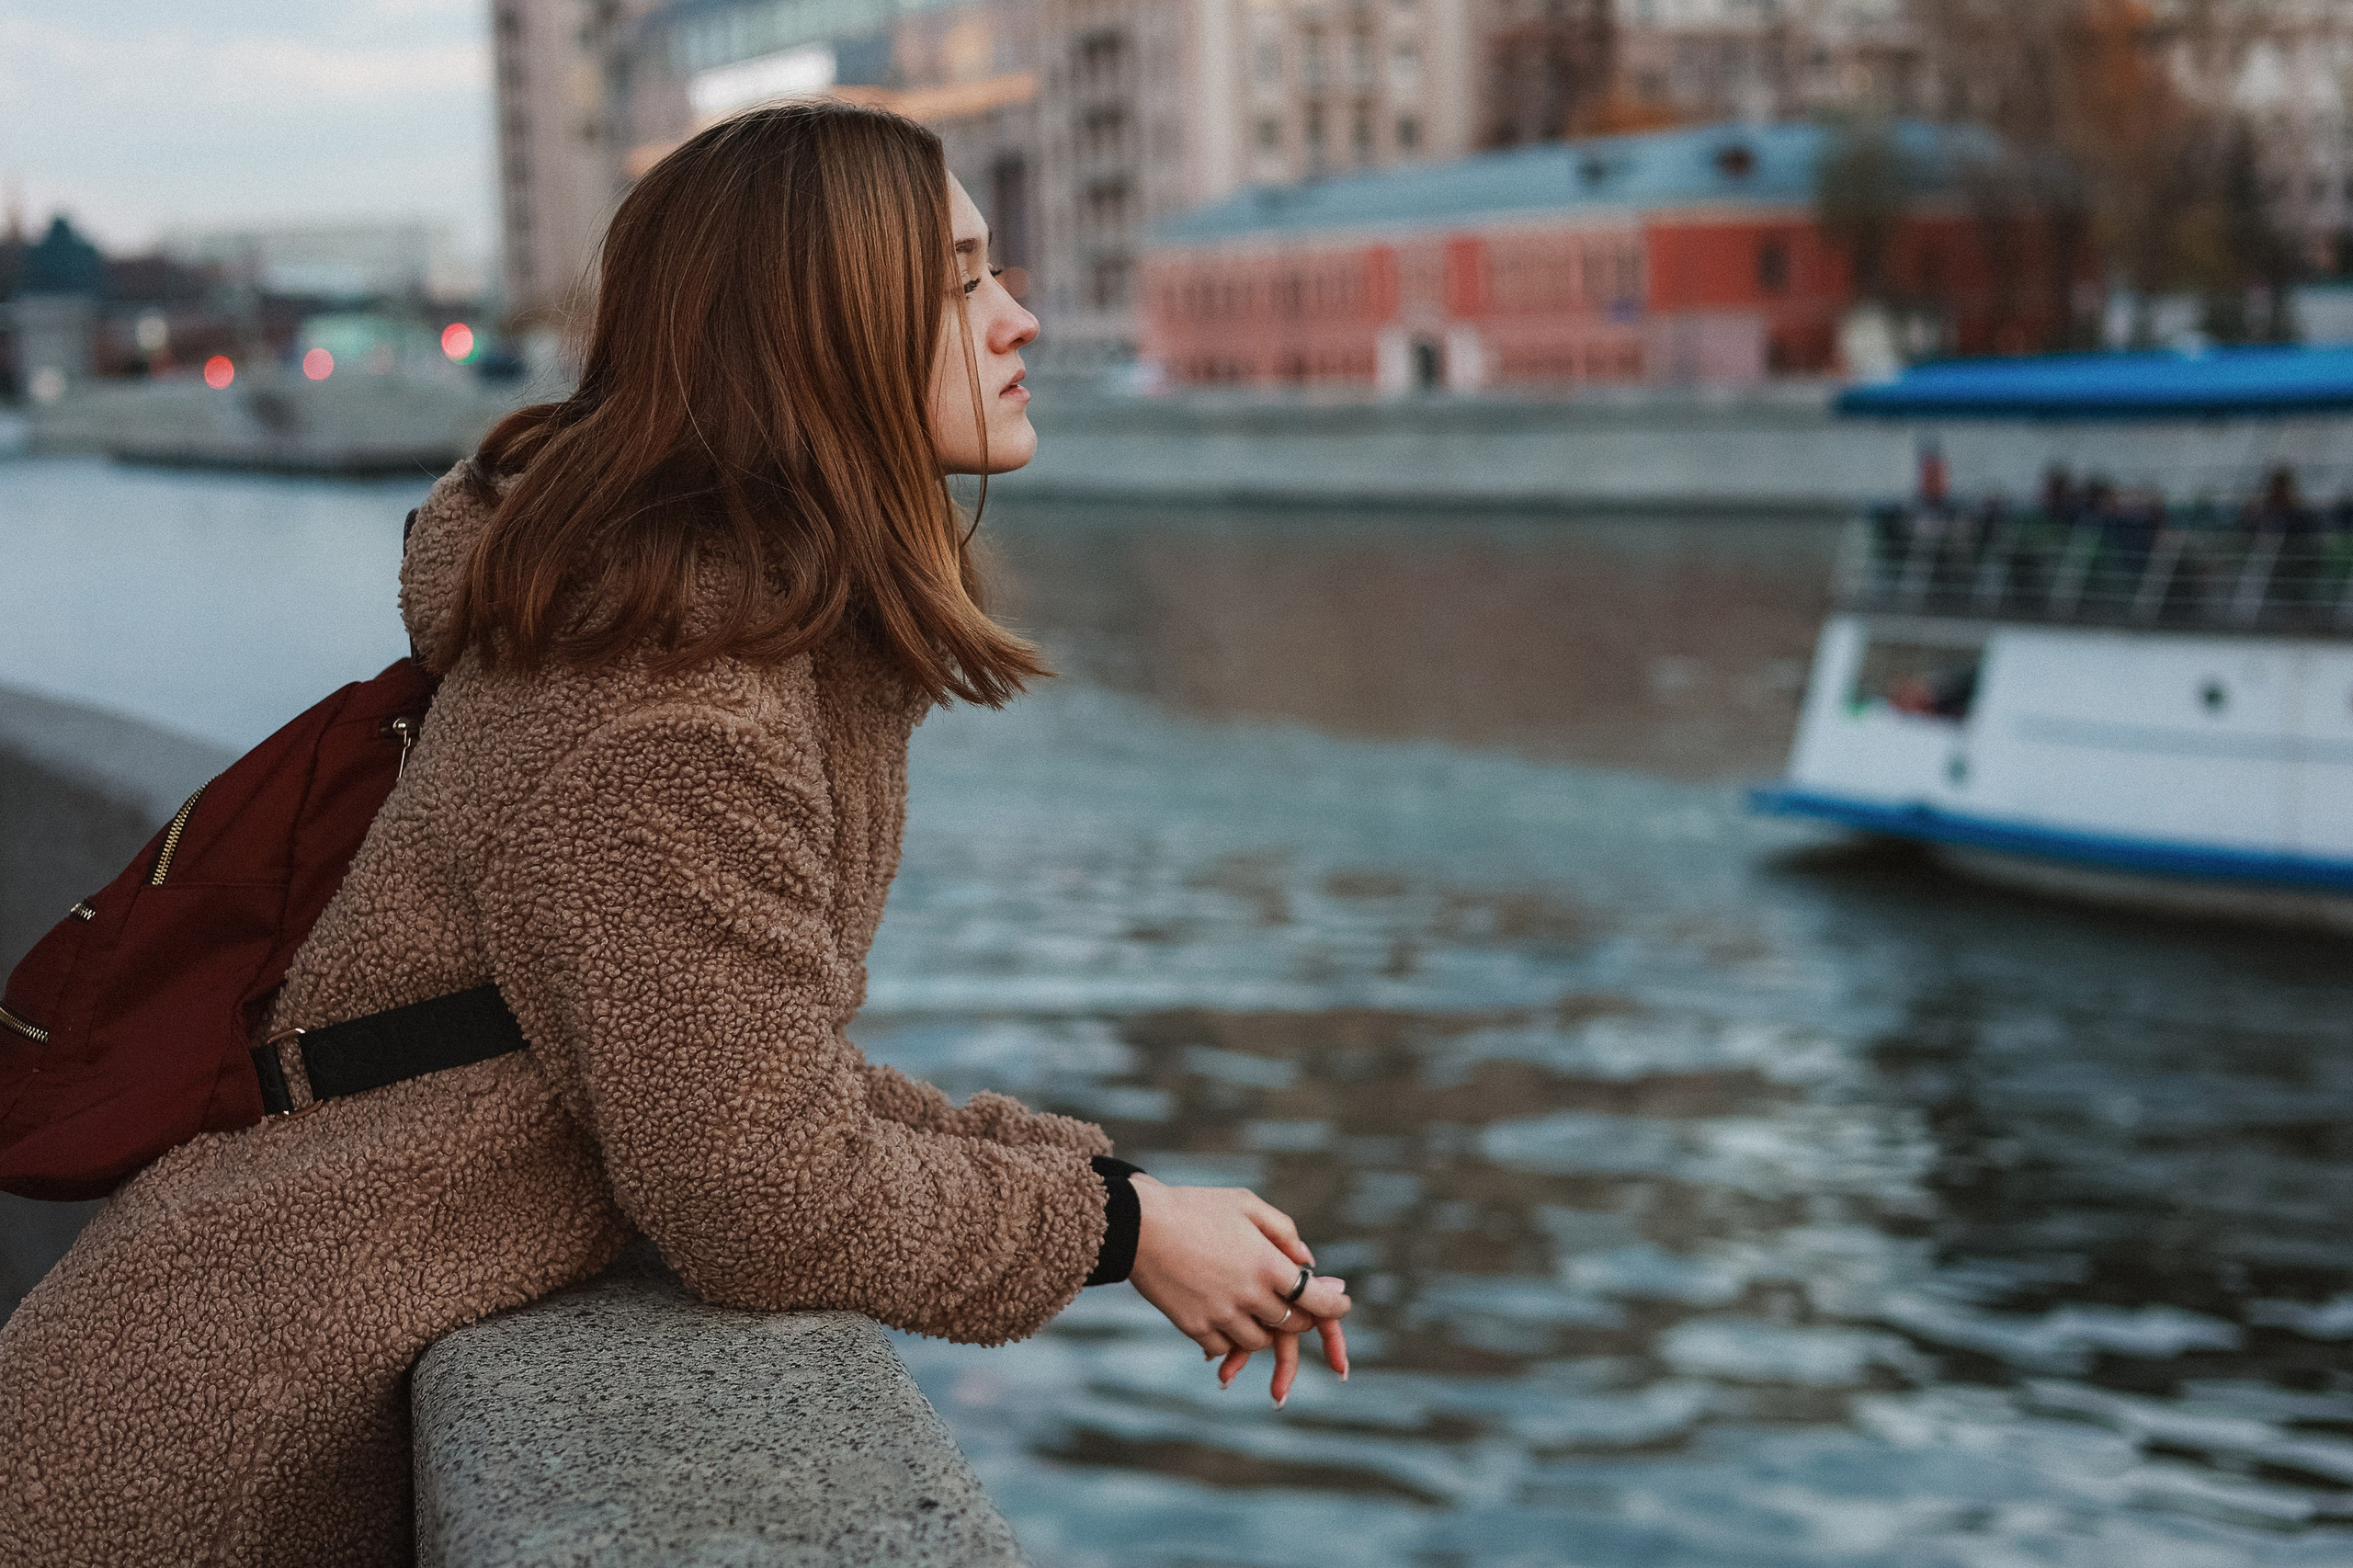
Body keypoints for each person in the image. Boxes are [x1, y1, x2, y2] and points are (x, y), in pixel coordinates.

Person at [0, 102, 1350, 1567]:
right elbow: (761, 1193)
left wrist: (1124, 1196)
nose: (1017, 316)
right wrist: (1115, 1234)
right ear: (811, 330)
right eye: (961, 279)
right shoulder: (662, 709)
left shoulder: (708, 645)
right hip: (204, 1464)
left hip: (250, 1385)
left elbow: (744, 1061)